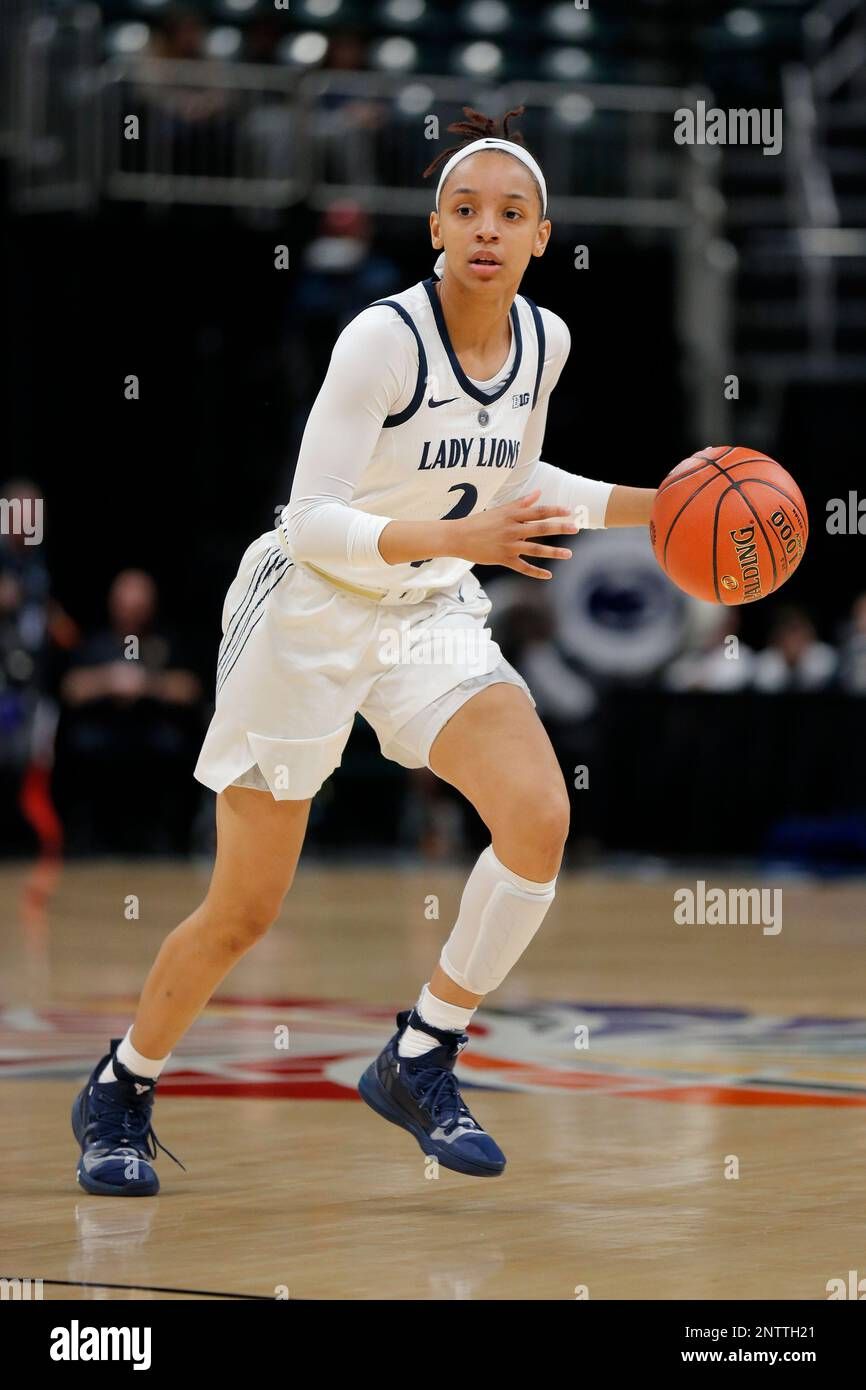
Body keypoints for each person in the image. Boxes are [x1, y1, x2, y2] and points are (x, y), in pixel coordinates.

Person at [71, 106, 656, 1193]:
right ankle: (122, 1083)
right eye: (466, 209)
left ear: (540, 234)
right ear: (436, 225)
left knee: (536, 814)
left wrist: (657, 507)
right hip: (307, 610)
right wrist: (462, 537)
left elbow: (520, 486)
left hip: (424, 605)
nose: (486, 228)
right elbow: (309, 518)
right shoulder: (382, 337)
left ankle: (422, 1051)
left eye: (510, 213)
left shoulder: (547, 340)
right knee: (244, 909)